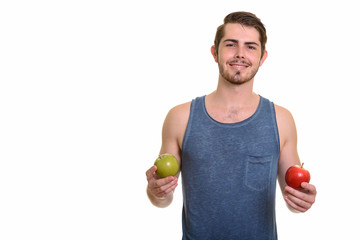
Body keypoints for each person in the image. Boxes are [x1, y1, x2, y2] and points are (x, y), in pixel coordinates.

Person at [145, 11, 317, 239]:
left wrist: (302, 202)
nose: (240, 54)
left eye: (250, 47)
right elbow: (163, 199)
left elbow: (293, 199)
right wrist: (156, 191)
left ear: (262, 57)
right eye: (230, 44)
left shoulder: (281, 120)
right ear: (214, 52)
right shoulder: (180, 117)